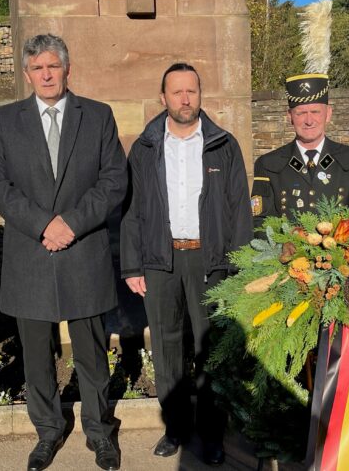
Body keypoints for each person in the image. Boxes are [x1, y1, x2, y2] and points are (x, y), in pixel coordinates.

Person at [0, 33, 126, 471]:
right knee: (36, 355)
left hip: (84, 252)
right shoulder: (7, 119)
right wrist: (44, 223)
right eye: (38, 68)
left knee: (91, 352)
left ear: (68, 68)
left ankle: (100, 432)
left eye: (53, 66)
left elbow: (113, 180)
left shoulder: (97, 116)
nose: (46, 74)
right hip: (32, 254)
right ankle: (47, 432)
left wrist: (71, 223)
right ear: (27, 74)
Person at [120, 63, 253, 466]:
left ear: (200, 94)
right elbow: (132, 211)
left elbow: (239, 210)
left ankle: (212, 433)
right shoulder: (144, 147)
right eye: (176, 92)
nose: (184, 99)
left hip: (209, 260)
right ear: (163, 98)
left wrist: (238, 266)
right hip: (160, 260)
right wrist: (132, 265)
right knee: (166, 347)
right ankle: (175, 427)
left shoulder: (223, 145)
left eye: (191, 91)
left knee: (210, 348)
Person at [251, 73, 349, 229]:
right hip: (286, 253)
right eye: (301, 113)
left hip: (339, 251)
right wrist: (284, 244)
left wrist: (342, 243)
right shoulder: (268, 164)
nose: (309, 121)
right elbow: (259, 220)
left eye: (315, 112)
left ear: (328, 114)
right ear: (289, 116)